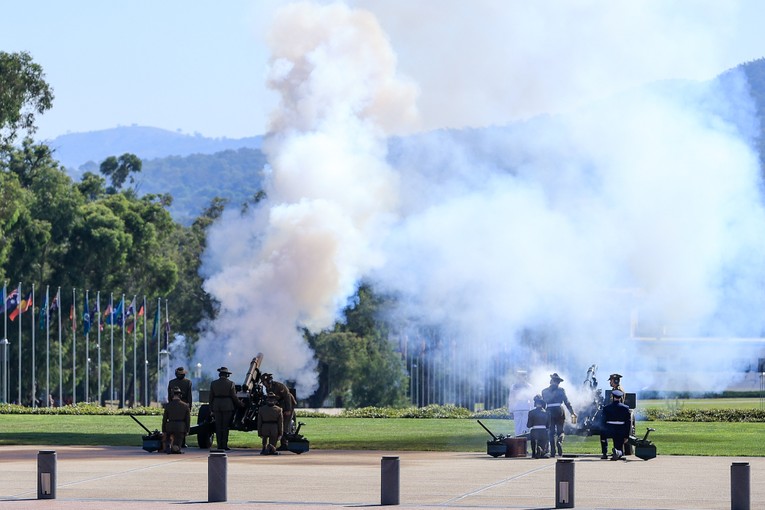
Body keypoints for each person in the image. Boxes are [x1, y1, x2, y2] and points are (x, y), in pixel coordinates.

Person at [541, 373, 577, 457]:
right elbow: (567, 402)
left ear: (551, 381)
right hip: (559, 410)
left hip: (549, 411)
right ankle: (559, 441)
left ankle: (553, 451)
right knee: (561, 431)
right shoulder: (561, 390)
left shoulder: (544, 391)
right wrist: (572, 412)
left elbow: (543, 404)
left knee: (551, 432)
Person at [209, 366, 244, 451]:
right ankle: (224, 445)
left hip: (217, 405)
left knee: (218, 426)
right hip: (227, 406)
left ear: (220, 374)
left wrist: (211, 408)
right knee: (225, 426)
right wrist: (241, 404)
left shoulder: (213, 383)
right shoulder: (231, 383)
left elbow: (211, 397)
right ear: (227, 375)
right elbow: (234, 397)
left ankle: (219, 445)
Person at [261, 373, 296, 451]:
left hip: (288, 404)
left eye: (264, 382)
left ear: (269, 381)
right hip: (281, 406)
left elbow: (287, 397)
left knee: (285, 424)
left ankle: (284, 444)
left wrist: (288, 410)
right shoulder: (268, 388)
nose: (263, 384)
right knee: (280, 424)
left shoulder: (279, 386)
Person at [600, 389, 631, 460]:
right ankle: (618, 452)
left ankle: (604, 453)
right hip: (620, 430)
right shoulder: (626, 408)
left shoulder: (606, 408)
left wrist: (603, 431)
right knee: (619, 447)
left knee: (603, 437)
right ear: (620, 398)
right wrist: (626, 436)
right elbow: (628, 423)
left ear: (613, 397)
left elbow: (603, 421)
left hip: (609, 430)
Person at [162, 386, 190, 454]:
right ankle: (176, 448)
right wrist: (187, 430)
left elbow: (164, 419)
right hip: (180, 427)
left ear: (172, 395)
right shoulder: (185, 406)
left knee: (168, 439)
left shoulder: (168, 405)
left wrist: (164, 430)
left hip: (170, 426)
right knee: (177, 444)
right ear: (180, 395)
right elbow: (187, 420)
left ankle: (168, 447)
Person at [509, 370, 533, 437]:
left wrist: (510, 410)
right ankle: (523, 440)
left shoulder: (514, 386)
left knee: (517, 427)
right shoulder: (529, 386)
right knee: (525, 426)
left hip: (517, 408)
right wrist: (533, 409)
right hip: (526, 408)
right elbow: (532, 399)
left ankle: (518, 439)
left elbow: (511, 399)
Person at [526, 394, 549, 458]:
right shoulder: (547, 412)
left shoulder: (531, 412)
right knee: (543, 442)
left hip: (534, 430)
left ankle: (533, 453)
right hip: (543, 431)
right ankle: (541, 451)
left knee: (533, 441)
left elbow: (528, 425)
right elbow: (548, 425)